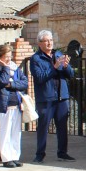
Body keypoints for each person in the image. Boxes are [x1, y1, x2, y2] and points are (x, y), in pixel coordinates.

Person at [30, 30, 75, 163]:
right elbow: (39, 78)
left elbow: (70, 75)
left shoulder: (58, 54)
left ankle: (62, 153)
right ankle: (40, 154)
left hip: (62, 96)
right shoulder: (36, 59)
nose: (49, 43)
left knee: (62, 126)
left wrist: (66, 67)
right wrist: (54, 67)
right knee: (43, 127)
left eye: (51, 40)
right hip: (46, 98)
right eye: (46, 41)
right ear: (39, 43)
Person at [0, 43, 28, 167]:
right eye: (6, 57)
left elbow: (24, 82)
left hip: (16, 104)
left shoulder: (15, 68)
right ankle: (6, 158)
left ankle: (15, 156)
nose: (9, 60)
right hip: (3, 105)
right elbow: (2, 81)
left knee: (16, 132)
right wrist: (5, 68)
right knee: (5, 132)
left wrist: (11, 85)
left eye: (10, 56)